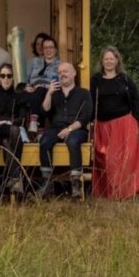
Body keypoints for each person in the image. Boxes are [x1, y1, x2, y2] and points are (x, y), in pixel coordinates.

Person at [90, 45, 139, 200]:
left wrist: (136, 120)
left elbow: (136, 100)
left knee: (124, 160)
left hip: (124, 124)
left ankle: (126, 193)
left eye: (111, 58)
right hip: (103, 126)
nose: (108, 61)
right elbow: (90, 102)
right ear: (102, 61)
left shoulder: (125, 80)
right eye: (106, 59)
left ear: (117, 61)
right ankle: (108, 194)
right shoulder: (95, 80)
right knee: (106, 160)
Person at [37, 61, 92, 195]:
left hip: (77, 129)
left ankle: (76, 184)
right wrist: (49, 93)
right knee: (44, 142)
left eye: (65, 71)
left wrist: (69, 130)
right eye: (60, 72)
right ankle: (47, 184)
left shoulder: (84, 93)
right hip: (56, 128)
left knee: (72, 141)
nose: (62, 75)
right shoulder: (54, 93)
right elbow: (44, 111)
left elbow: (86, 117)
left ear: (74, 73)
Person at [0, 65, 28, 195]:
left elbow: (22, 119)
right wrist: (5, 121)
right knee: (14, 131)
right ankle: (17, 177)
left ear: (13, 78)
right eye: (3, 76)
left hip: (7, 134)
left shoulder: (19, 95)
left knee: (7, 141)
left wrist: (1, 121)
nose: (6, 79)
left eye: (9, 76)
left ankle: (14, 178)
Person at [24, 34, 61, 122]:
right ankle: (38, 129)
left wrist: (42, 85)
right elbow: (25, 79)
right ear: (43, 50)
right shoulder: (34, 61)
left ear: (55, 49)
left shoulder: (60, 65)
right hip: (32, 91)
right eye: (45, 48)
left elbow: (58, 83)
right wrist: (26, 87)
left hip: (50, 92)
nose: (48, 50)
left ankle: (34, 121)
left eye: (51, 47)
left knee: (40, 91)